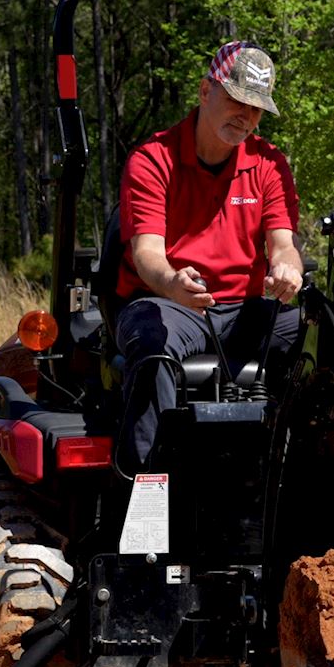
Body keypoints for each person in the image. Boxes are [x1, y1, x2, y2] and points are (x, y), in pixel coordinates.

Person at [113, 41, 305, 475]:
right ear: (205, 91)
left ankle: (319, 484)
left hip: (244, 311)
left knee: (328, 342)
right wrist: (171, 283)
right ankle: (147, 495)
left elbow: (282, 244)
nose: (246, 117)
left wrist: (287, 268)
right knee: (153, 346)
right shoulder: (153, 160)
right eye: (237, 101)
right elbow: (147, 254)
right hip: (169, 305)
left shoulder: (269, 164)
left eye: (256, 109)